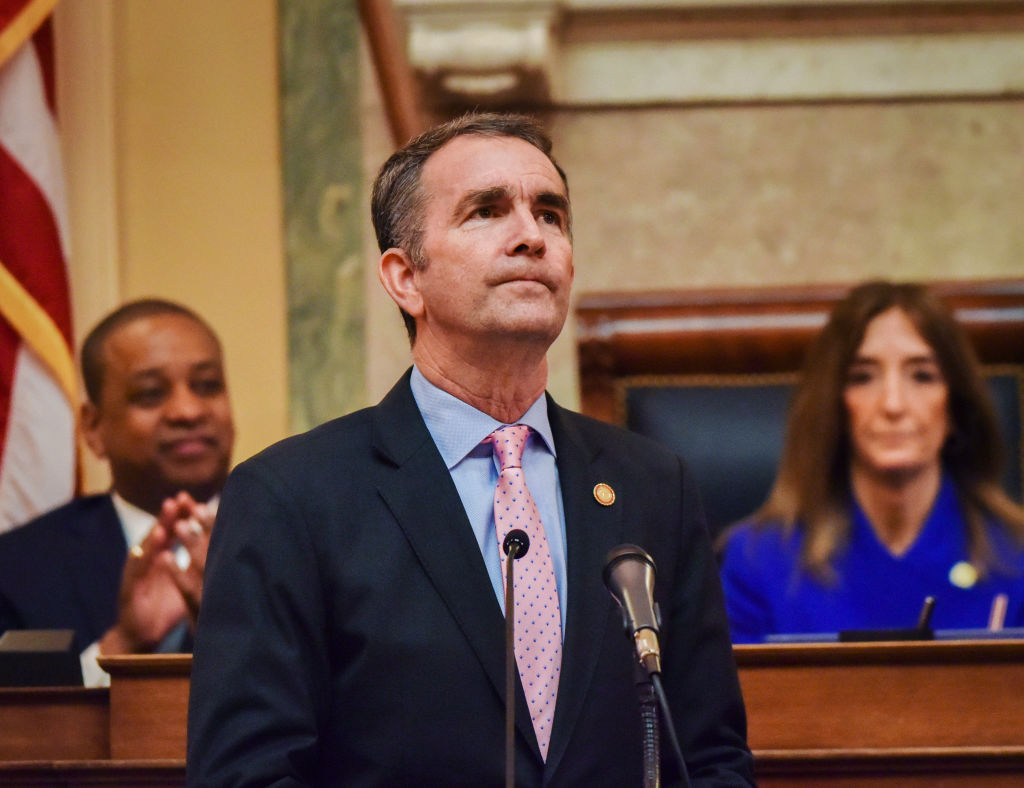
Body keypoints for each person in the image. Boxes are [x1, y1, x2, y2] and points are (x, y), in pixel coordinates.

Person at [187, 113, 754, 786]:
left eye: (551, 215)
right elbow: (247, 774)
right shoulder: (291, 498)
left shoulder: (653, 484)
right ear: (405, 279)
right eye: (487, 212)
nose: (531, 238)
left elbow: (713, 758)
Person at [719, 280, 1024, 644]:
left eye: (922, 376)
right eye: (863, 377)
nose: (893, 404)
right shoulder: (755, 562)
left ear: (956, 405)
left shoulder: (1016, 554)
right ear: (833, 405)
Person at [0, 299, 235, 685]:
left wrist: (230, 630)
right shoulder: (17, 569)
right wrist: (123, 643)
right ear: (93, 429)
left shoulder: (299, 539)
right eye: (150, 394)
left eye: (207, 386)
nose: (188, 410)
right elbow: (19, 730)